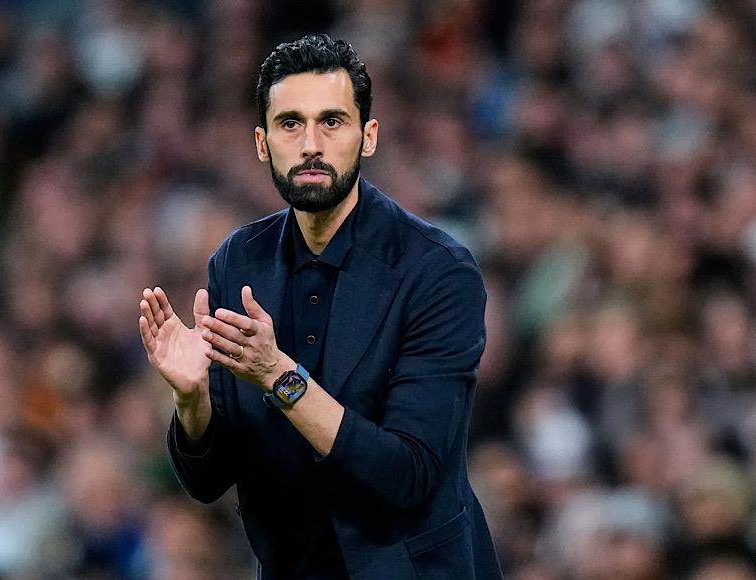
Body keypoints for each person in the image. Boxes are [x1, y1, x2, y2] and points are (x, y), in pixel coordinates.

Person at [138, 34, 502, 580]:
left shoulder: (437, 271)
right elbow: (209, 482)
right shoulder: (238, 263)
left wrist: (279, 376)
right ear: (262, 143)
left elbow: (408, 474)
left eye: (332, 121)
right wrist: (191, 401)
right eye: (290, 124)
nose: (311, 144)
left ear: (367, 136)